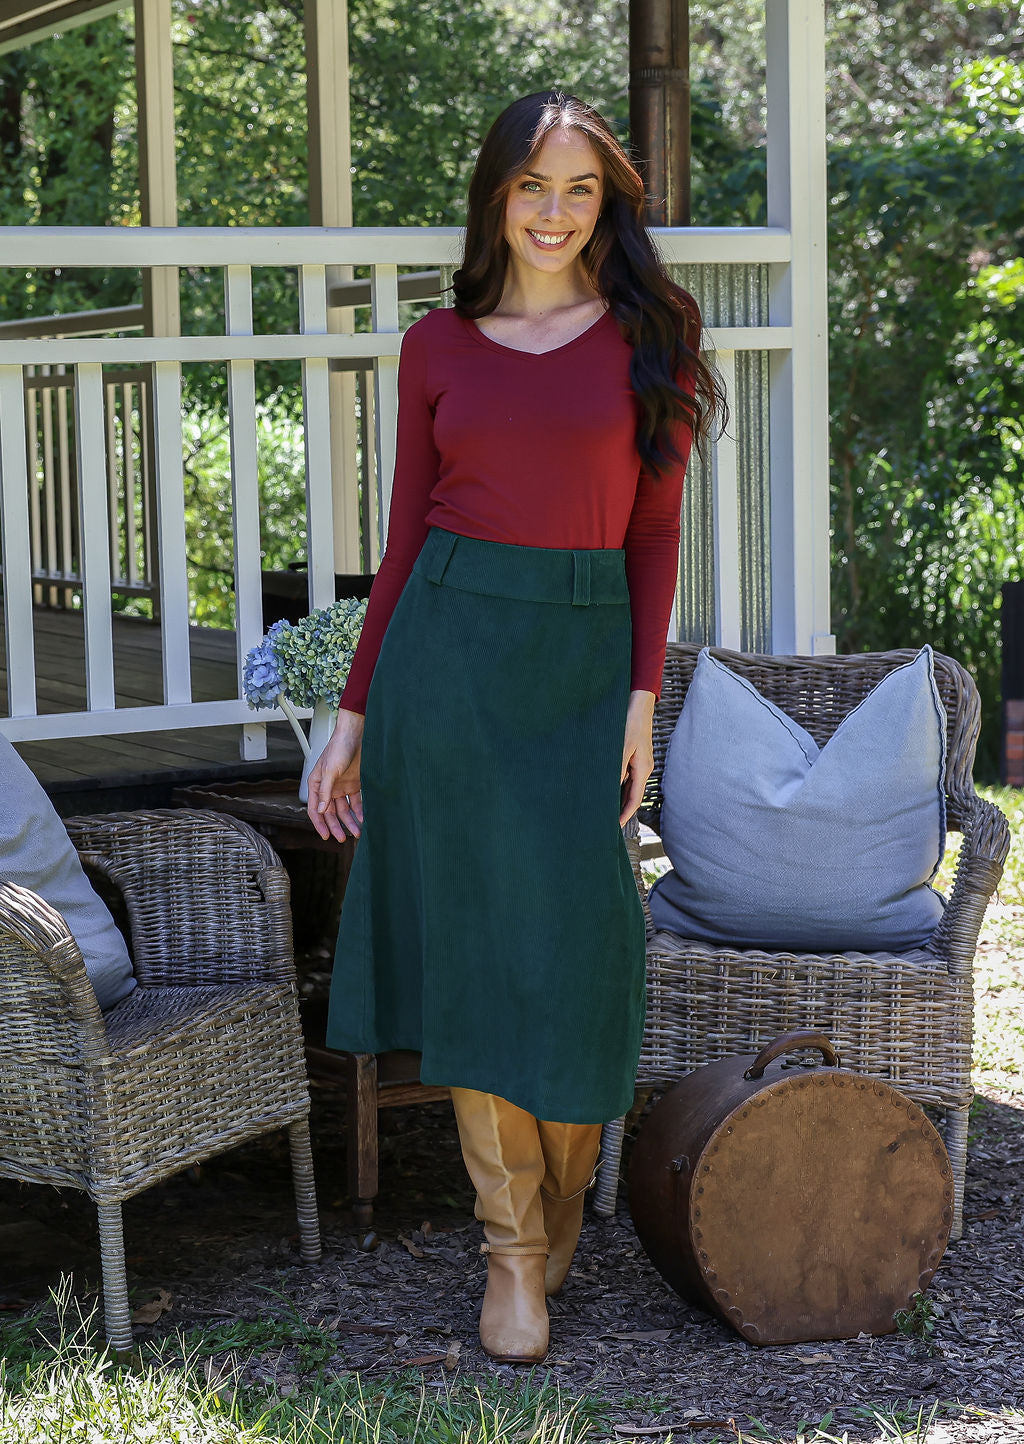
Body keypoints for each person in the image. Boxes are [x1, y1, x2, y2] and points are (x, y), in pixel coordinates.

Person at [307, 89, 724, 1364]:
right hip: (446, 661)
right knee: (480, 956)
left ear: (608, 203)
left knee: (585, 948)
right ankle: (509, 1255)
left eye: (578, 189)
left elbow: (653, 535)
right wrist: (352, 711)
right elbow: (402, 543)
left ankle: (553, 1214)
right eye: (529, 187)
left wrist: (642, 701)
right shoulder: (438, 344)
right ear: (496, 196)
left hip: (583, 666)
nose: (552, 213)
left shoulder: (653, 330)